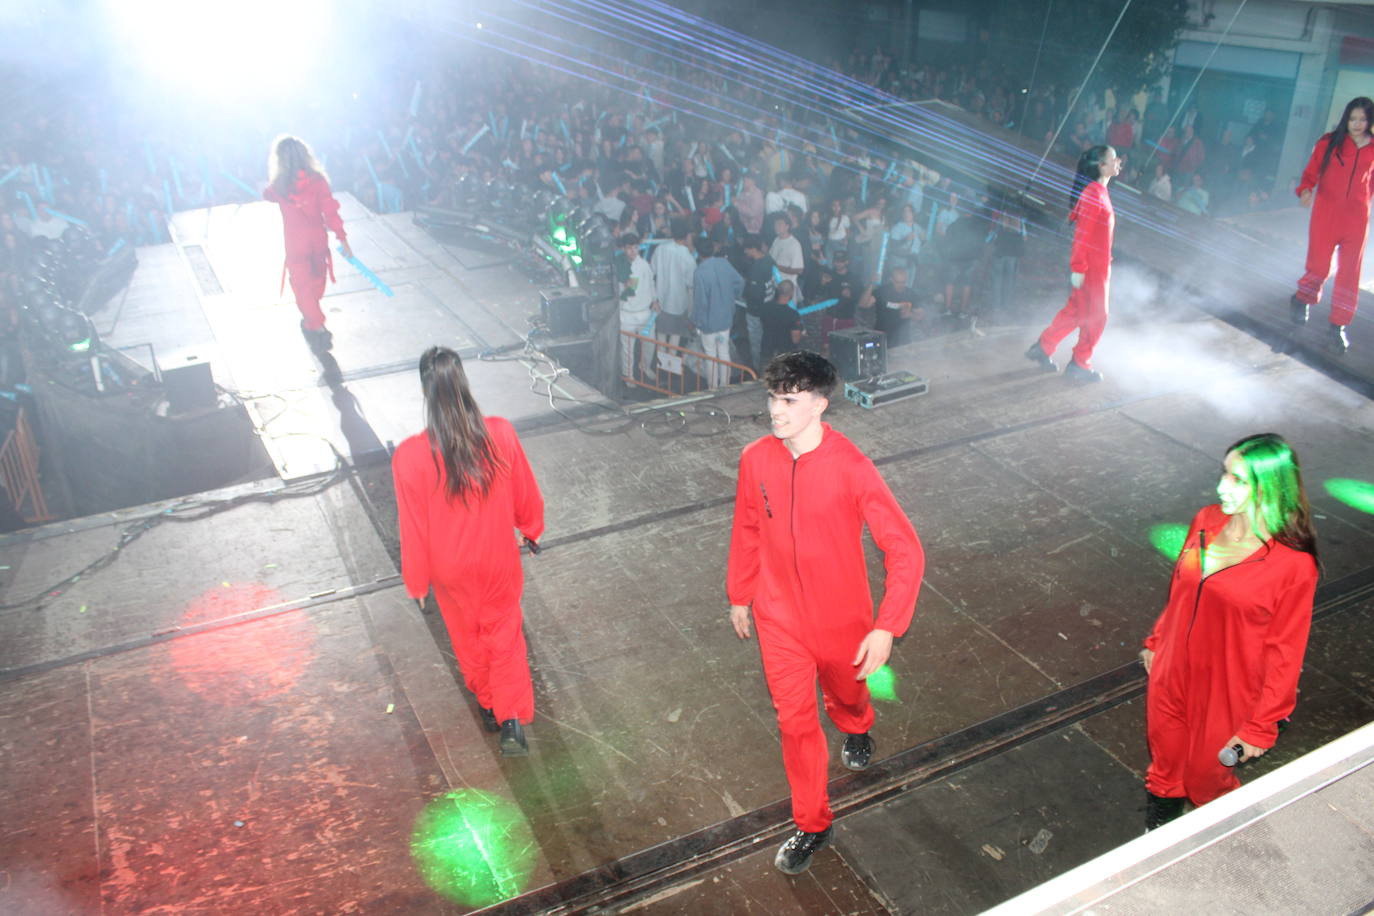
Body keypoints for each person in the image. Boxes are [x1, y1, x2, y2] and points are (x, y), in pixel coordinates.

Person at [727, 351, 925, 875]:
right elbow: (748, 526)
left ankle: (857, 725)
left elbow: (904, 549)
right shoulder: (756, 459)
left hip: (843, 621)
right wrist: (740, 593)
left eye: (789, 400)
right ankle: (813, 823)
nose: (776, 410)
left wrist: (887, 626)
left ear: (819, 404)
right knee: (795, 724)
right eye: (773, 397)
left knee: (848, 695)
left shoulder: (852, 468)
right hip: (778, 620)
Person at [1139, 433, 1319, 829]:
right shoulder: (1206, 520)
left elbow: (1286, 652)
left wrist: (1261, 725)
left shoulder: (1293, 565)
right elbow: (1181, 592)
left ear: (1271, 488)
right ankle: (1159, 834)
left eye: (1238, 480)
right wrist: (1158, 640)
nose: (1223, 487)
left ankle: (1225, 839)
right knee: (1165, 767)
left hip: (1228, 689)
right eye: (1224, 473)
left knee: (1207, 781)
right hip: (1171, 672)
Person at [392, 347, 545, 757]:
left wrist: (416, 579)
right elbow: (524, 491)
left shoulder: (409, 456)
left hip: (449, 570)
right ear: (464, 383)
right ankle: (511, 722)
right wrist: (530, 529)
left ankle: (489, 706)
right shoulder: (500, 434)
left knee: (467, 637)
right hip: (497, 560)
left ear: (425, 391)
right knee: (504, 636)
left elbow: (412, 526)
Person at [1025, 145, 1121, 382]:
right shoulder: (1094, 194)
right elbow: (1082, 235)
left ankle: (1043, 347)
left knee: (1077, 312)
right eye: (1114, 158)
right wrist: (1079, 268)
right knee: (1097, 317)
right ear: (1102, 165)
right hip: (1092, 269)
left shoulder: (1097, 191)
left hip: (1095, 266)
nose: (1119, 161)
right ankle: (1080, 363)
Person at [1289, 97, 1374, 354]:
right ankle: (1302, 298)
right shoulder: (1328, 143)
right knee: (1319, 267)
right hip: (1326, 214)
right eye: (1353, 119)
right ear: (1345, 119)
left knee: (1349, 274)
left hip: (1357, 219)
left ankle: (1338, 326)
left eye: (1362, 119)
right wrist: (1305, 190)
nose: (1357, 124)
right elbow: (1311, 172)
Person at [264, 135, 352, 354]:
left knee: (303, 288)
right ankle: (314, 323)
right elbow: (330, 210)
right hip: (317, 241)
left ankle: (316, 325)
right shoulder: (318, 181)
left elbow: (267, 195)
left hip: (296, 243)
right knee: (315, 285)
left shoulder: (279, 186)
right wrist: (342, 237)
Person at [692, 238, 744, 388]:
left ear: (698, 253)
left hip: (708, 323)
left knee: (710, 355)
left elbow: (700, 303)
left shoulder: (700, 272)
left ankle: (713, 387)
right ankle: (725, 384)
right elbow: (740, 282)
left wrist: (697, 323)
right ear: (713, 248)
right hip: (726, 318)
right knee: (724, 352)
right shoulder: (724, 263)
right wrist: (732, 296)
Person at [618, 234, 657, 381]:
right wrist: (624, 286)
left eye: (635, 247)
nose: (633, 251)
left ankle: (645, 367)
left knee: (649, 345)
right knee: (627, 348)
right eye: (629, 248)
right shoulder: (618, 265)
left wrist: (655, 300)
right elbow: (619, 291)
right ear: (623, 249)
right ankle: (628, 375)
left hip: (645, 312)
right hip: (626, 314)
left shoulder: (644, 265)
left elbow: (651, 284)